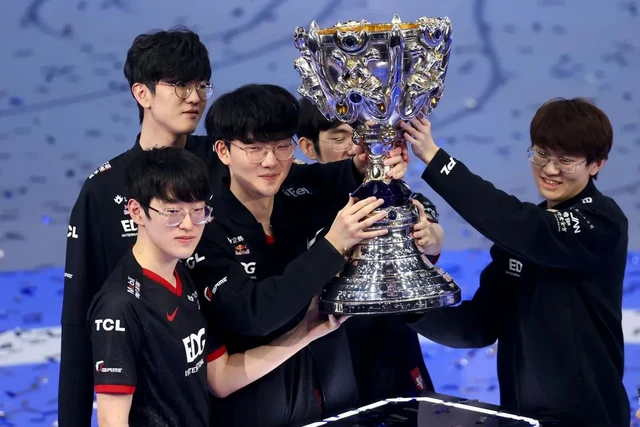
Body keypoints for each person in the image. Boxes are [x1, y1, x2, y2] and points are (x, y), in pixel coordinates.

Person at [187, 84, 408, 427]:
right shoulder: (204, 229)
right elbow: (253, 315)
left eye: (281, 146)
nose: (271, 161)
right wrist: (333, 245)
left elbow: (338, 175)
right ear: (223, 151)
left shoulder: (298, 191)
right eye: (254, 148)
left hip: (338, 409)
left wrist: (372, 162)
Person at [402, 98, 629, 426]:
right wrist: (410, 308)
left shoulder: (601, 223)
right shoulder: (519, 239)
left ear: (596, 165)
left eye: (566, 160)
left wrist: (436, 159)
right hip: (521, 419)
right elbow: (477, 327)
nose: (550, 169)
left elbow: (523, 227)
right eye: (541, 154)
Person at [89, 147, 347, 427]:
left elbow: (221, 378)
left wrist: (306, 331)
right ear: (136, 212)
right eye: (172, 212)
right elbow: (112, 422)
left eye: (197, 211)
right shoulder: (120, 305)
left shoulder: (185, 277)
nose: (188, 225)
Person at [58, 27, 227, 427]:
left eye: (202, 84)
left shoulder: (227, 162)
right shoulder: (103, 190)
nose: (195, 97)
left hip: (232, 387)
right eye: (180, 85)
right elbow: (78, 322)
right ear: (142, 94)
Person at [296, 97, 446, 403]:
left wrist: (429, 236)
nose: (356, 148)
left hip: (395, 362)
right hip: (325, 366)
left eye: (362, 136)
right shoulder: (293, 205)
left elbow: (431, 231)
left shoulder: (399, 198)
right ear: (309, 147)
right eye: (339, 138)